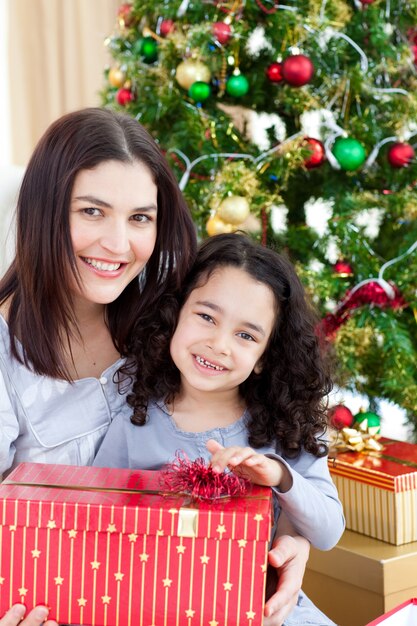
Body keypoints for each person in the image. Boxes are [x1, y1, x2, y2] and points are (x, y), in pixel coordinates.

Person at [0, 110, 309, 626]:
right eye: (92, 212)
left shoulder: (176, 307)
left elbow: (268, 419)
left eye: (140, 217)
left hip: (207, 593)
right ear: (44, 211)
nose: (119, 245)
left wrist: (290, 538)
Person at [94, 232, 345, 625]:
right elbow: (94, 523)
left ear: (264, 357)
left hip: (268, 613)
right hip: (163, 609)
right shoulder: (133, 423)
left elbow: (329, 532)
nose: (219, 343)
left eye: (246, 335)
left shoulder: (285, 428)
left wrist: (279, 474)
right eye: (206, 317)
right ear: (175, 313)